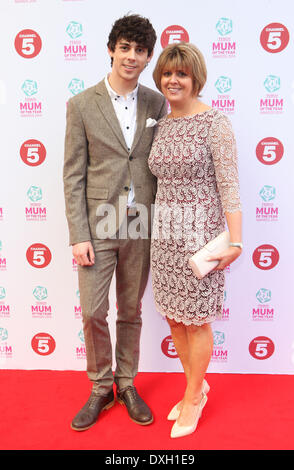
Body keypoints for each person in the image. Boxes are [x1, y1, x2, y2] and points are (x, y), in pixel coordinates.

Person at [63, 14, 167, 431]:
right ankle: (99, 386)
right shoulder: (82, 104)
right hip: (98, 220)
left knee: (130, 310)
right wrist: (77, 234)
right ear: (111, 49)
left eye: (140, 50)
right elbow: (73, 173)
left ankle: (126, 384)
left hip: (141, 220)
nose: (132, 56)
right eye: (125, 47)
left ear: (147, 57)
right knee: (92, 311)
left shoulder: (157, 103)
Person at [148, 42, 242, 438]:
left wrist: (235, 242)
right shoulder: (162, 125)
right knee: (174, 316)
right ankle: (197, 385)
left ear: (195, 79)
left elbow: (230, 185)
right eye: (168, 73)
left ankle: (192, 398)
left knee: (198, 321)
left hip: (200, 238)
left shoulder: (215, 123)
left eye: (181, 74)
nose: (173, 80)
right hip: (163, 235)